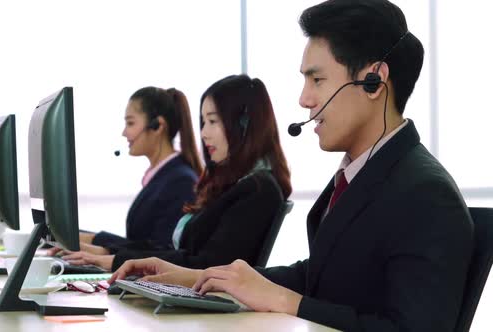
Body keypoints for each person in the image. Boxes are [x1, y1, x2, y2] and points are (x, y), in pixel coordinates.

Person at [109, 1, 474, 331]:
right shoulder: (363, 175)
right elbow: (317, 276)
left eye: (317, 79)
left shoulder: (424, 193)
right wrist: (196, 277)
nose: (304, 99)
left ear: (374, 80)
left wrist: (287, 302)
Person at [59, 74, 292, 272]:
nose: (204, 133)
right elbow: (178, 253)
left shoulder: (256, 190)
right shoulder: (230, 186)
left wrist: (110, 258)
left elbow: (205, 265)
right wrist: (101, 249)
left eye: (212, 121)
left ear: (244, 126)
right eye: (203, 122)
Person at [78, 87, 203, 251]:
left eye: (130, 123)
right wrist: (88, 240)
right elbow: (141, 243)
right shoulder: (162, 176)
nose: (124, 132)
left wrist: (98, 243)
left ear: (158, 125)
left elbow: (162, 250)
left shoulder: (181, 181)